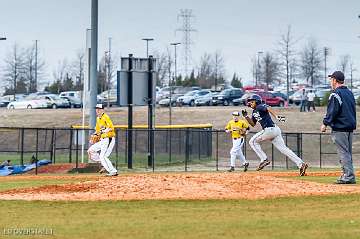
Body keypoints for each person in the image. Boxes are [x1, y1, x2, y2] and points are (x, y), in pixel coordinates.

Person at [242, 94, 308, 176]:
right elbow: (252, 124)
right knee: (284, 149)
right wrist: (246, 117)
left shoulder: (260, 106)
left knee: (252, 141)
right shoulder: (254, 111)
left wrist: (276, 116)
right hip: (274, 130)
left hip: (269, 130)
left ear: (257, 101)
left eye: (252, 101)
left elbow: (268, 108)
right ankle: (301, 164)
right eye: (249, 102)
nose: (250, 103)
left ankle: (264, 159)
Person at [321, 71, 356, 184]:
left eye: (331, 79)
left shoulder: (335, 94)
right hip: (349, 127)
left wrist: (325, 123)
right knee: (347, 153)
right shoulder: (349, 93)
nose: (331, 81)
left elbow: (332, 111)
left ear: (335, 80)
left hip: (340, 128)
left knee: (343, 153)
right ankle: (347, 174)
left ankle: (348, 176)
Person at [87, 104, 118, 176]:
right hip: (102, 140)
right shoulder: (98, 118)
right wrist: (95, 134)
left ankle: (113, 171)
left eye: (99, 109)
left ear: (103, 110)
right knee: (91, 151)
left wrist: (104, 131)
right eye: (96, 108)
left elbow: (111, 128)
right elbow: (97, 131)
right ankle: (104, 163)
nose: (97, 110)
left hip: (108, 138)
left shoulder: (106, 117)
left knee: (103, 156)